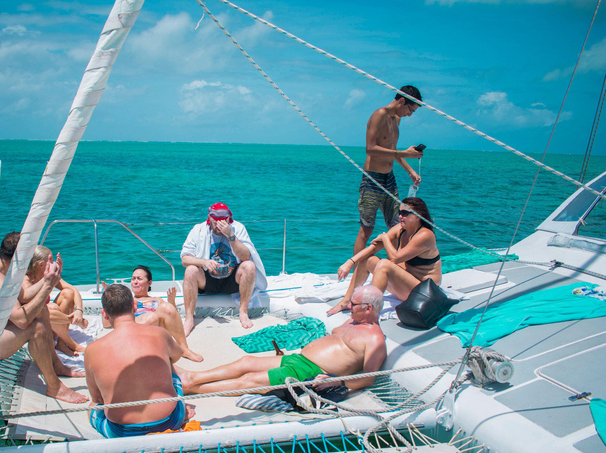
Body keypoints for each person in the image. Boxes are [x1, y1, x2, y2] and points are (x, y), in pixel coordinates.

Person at [177, 286, 386, 394]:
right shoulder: (353, 321)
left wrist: (336, 381)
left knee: (249, 381)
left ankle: (191, 388)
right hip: (300, 359)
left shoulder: (375, 340)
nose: (349, 306)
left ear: (368, 308)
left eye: (354, 304)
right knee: (246, 362)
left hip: (310, 372)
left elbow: (369, 378)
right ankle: (192, 376)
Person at [84, 284, 196, 437]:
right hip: (169, 421)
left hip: (121, 433)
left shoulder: (91, 350)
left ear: (104, 314)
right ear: (135, 306)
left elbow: (97, 399)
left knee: (92, 408)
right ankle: (180, 411)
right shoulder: (159, 333)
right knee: (168, 362)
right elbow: (177, 355)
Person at [0, 232, 88, 404]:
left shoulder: (7, 270)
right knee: (35, 327)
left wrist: (50, 278)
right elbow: (21, 320)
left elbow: (26, 295)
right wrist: (48, 285)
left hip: (1, 330)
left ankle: (56, 364)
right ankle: (54, 386)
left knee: (41, 309)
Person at [328, 197, 441, 315]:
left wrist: (385, 238)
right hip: (405, 288)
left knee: (385, 264)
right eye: (400, 212)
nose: (401, 216)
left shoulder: (425, 235)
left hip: (424, 293)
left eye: (405, 213)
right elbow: (374, 247)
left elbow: (395, 258)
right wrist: (350, 262)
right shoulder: (401, 229)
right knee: (368, 260)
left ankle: (370, 313)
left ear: (418, 216)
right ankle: (346, 301)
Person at [354, 85, 424, 258]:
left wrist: (409, 170)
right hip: (372, 179)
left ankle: (396, 267)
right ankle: (356, 271)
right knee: (367, 229)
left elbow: (391, 150)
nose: (409, 115)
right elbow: (370, 149)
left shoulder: (396, 119)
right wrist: (403, 153)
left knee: (397, 226)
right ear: (401, 101)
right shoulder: (379, 115)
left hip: (389, 178)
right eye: (410, 110)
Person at [180, 202, 268, 336]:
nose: (218, 225)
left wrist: (230, 236)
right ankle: (189, 319)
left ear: (228, 219)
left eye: (222, 221)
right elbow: (185, 259)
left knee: (249, 266)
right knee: (190, 270)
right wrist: (203, 262)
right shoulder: (198, 230)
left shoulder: (237, 228)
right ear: (209, 218)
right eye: (215, 221)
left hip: (231, 279)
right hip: (207, 280)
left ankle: (243, 313)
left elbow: (246, 256)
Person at [129, 265, 203, 362]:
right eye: (133, 278)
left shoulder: (157, 300)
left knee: (166, 307)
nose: (135, 282)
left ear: (149, 283)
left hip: (155, 334)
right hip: (136, 333)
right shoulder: (128, 300)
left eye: (139, 279)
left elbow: (173, 318)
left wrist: (171, 302)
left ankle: (184, 349)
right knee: (152, 317)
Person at [26, 245, 88, 357]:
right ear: (41, 265)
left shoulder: (51, 276)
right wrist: (75, 320)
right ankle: (71, 343)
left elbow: (73, 290)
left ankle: (61, 343)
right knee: (50, 308)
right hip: (37, 328)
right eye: (51, 261)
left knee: (68, 293)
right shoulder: (27, 281)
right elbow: (37, 312)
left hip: (54, 324)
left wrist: (79, 311)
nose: (54, 264)